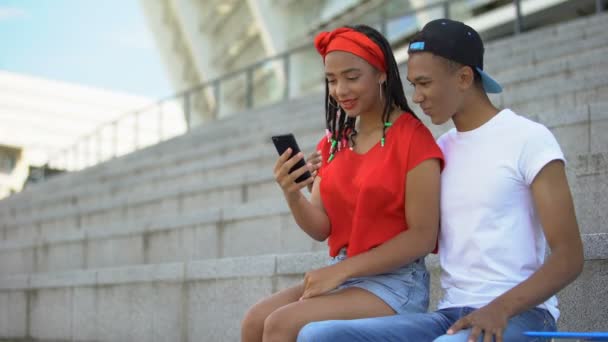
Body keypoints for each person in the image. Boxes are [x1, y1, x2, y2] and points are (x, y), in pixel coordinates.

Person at [297, 19, 584, 342]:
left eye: (424, 83)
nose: (416, 97)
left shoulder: (528, 139)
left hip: (520, 315)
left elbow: (569, 257)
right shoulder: (440, 150)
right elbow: (379, 208)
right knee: (319, 336)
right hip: (449, 314)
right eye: (413, 85)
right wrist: (319, 185)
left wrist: (500, 308)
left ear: (463, 77)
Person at [240, 24, 444, 342]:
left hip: (396, 282)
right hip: (344, 274)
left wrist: (340, 272)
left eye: (352, 77)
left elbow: (422, 236)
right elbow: (321, 227)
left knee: (281, 324)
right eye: (332, 80)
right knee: (255, 321)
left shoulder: (412, 138)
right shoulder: (334, 142)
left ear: (381, 73)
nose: (340, 90)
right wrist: (292, 193)